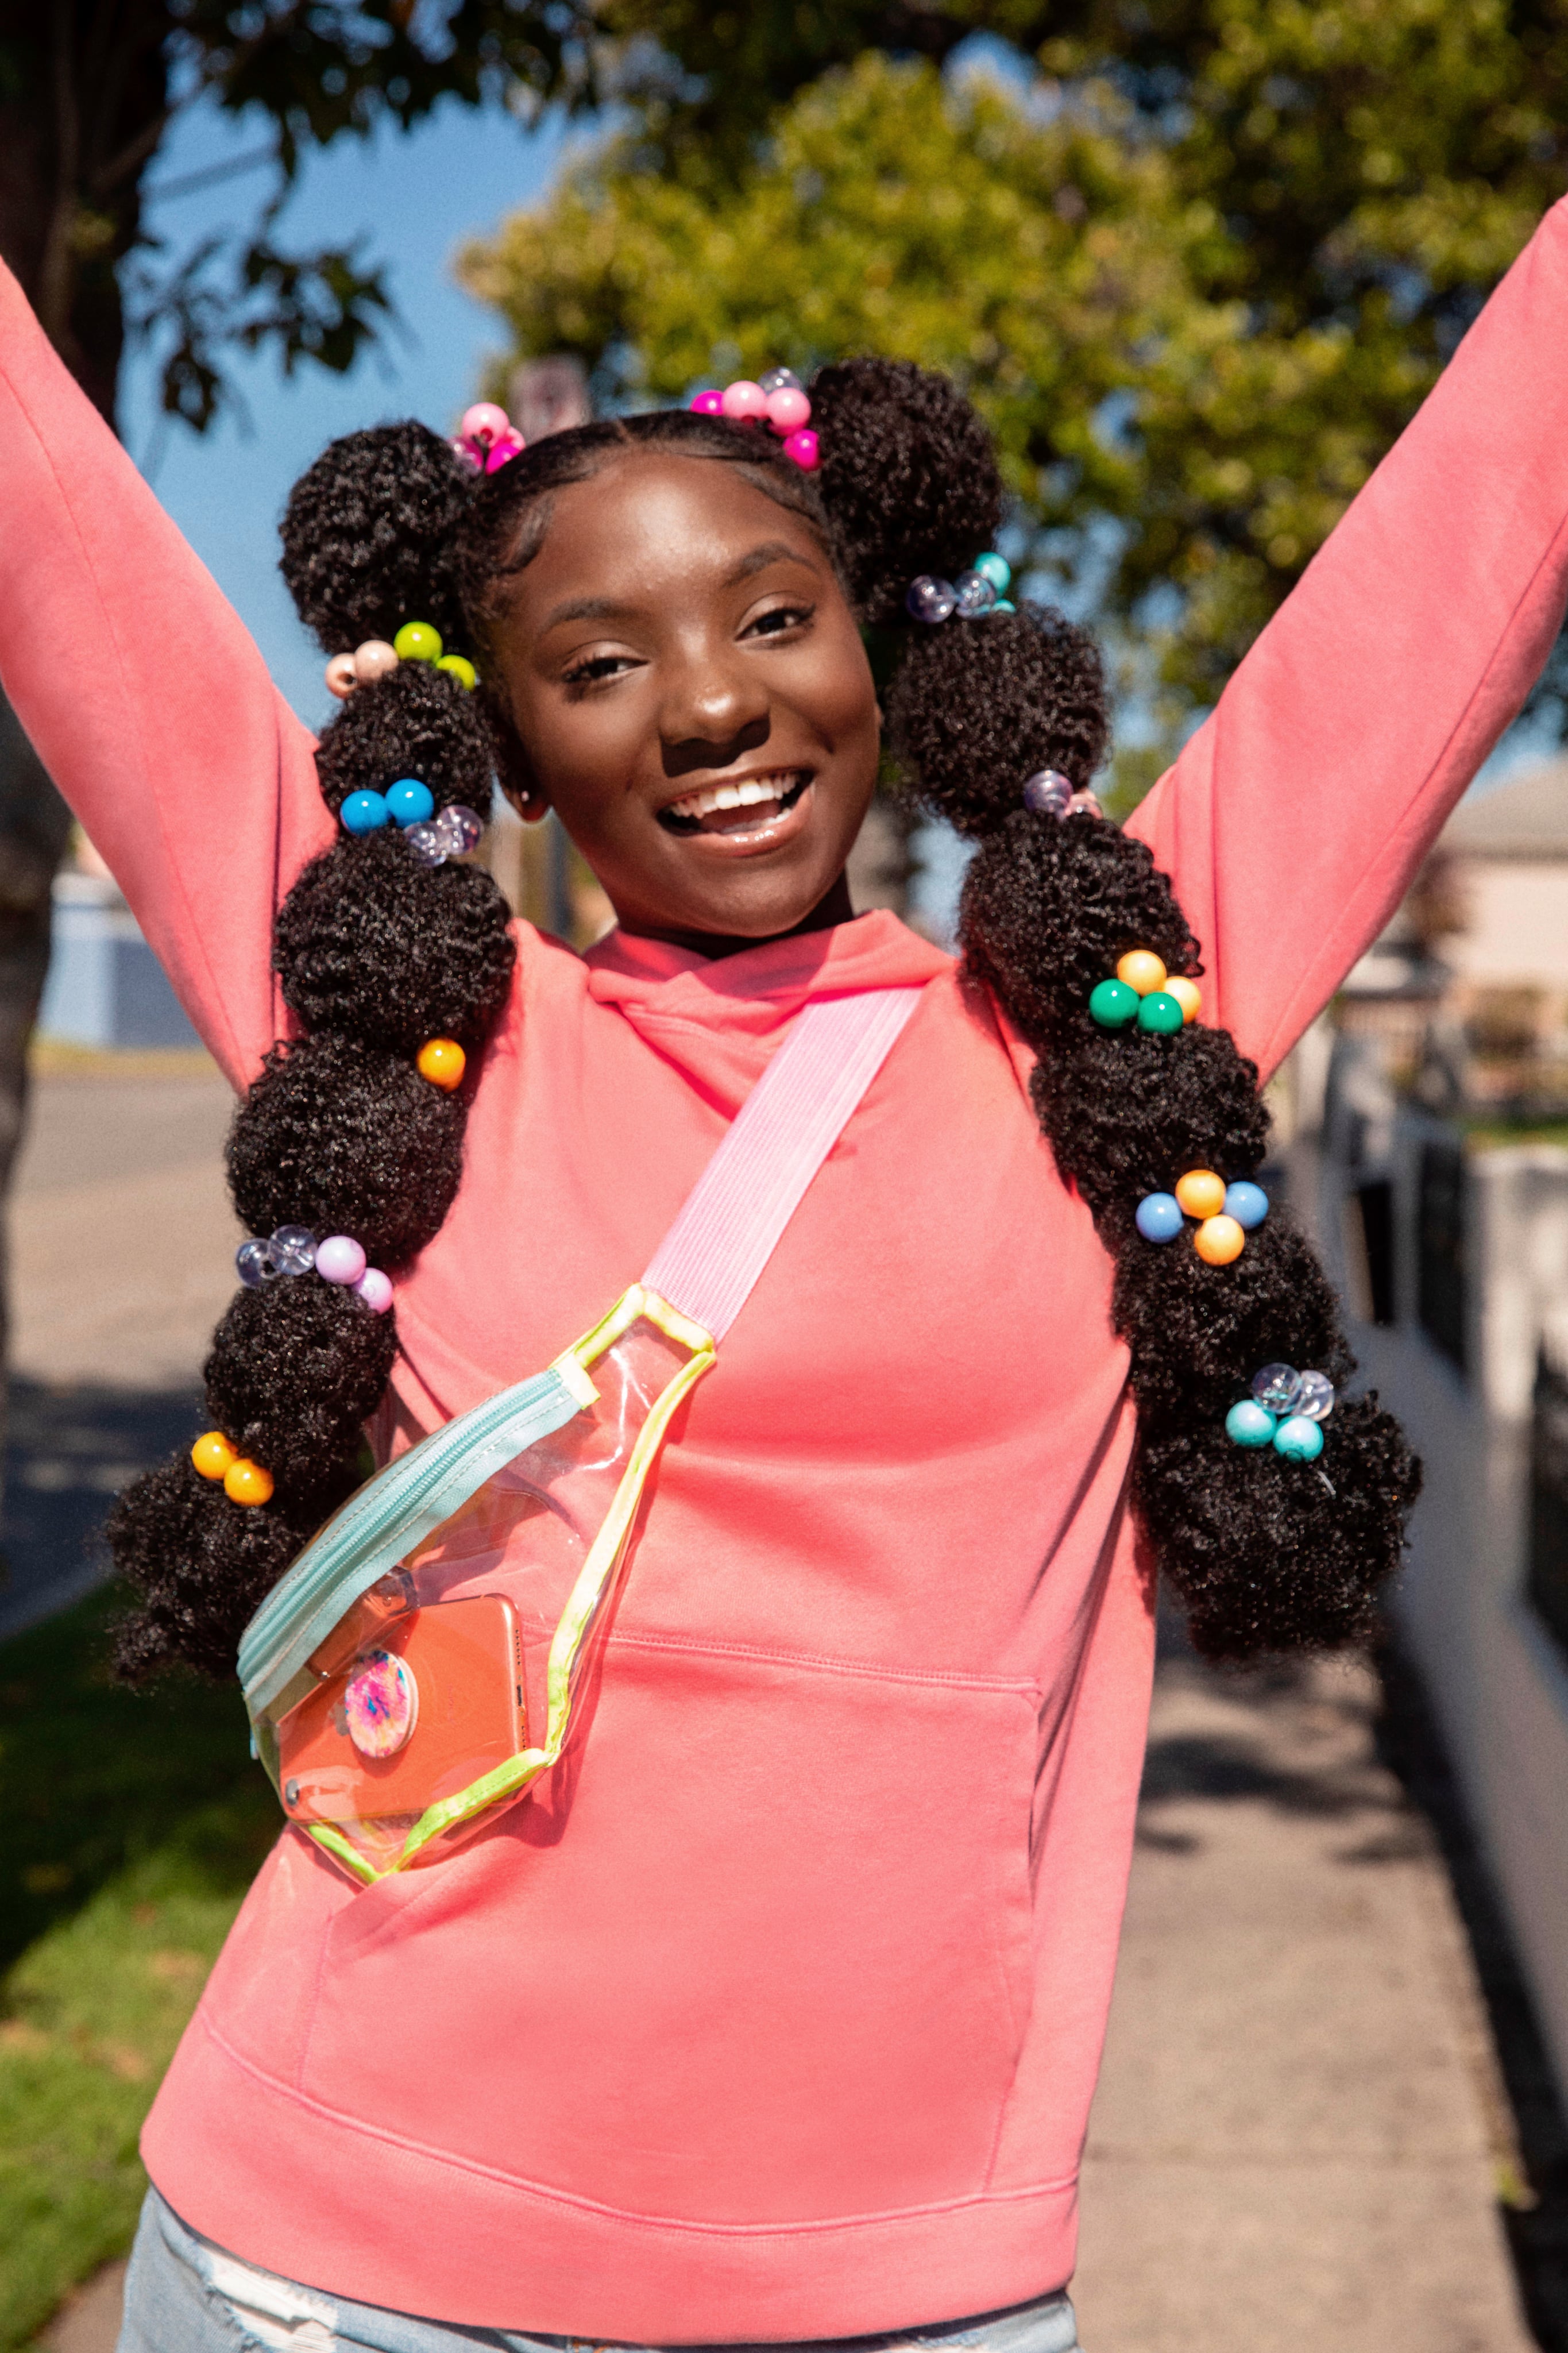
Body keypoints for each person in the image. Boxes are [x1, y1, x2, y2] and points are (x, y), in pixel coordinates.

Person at [2, 187, 1566, 2353]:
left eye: (768, 619)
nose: (710, 707)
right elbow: (60, 551)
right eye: (601, 663)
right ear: (515, 740)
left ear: (881, 644)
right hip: (326, 2261)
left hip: (900, 2285)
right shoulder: (408, 1039)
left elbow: (1448, 561)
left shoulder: (1109, 1028)